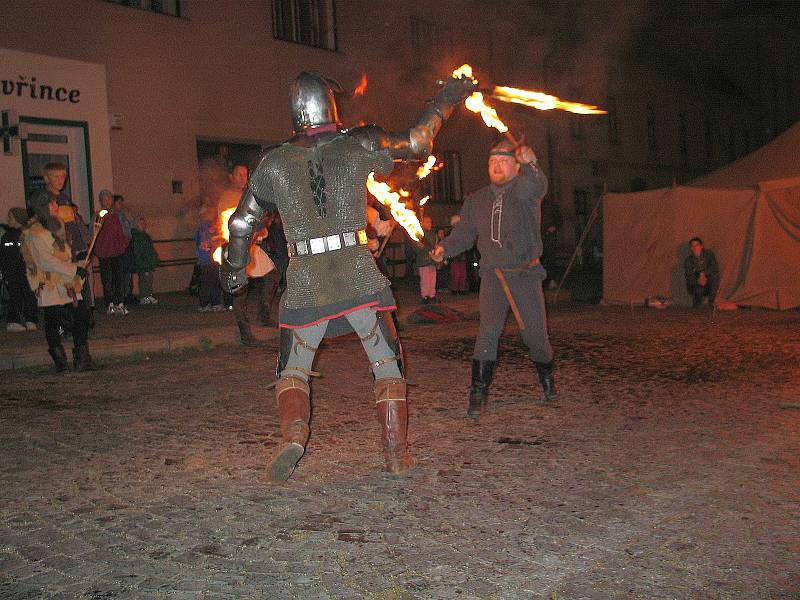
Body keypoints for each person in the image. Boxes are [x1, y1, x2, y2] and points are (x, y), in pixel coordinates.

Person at [219, 70, 476, 480]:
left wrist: (233, 273)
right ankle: (395, 455)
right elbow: (417, 142)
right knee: (387, 366)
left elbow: (240, 224)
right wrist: (448, 96)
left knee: (292, 371)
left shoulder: (273, 160)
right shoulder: (358, 143)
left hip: (306, 277)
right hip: (357, 271)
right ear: (329, 106)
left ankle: (292, 439)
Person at [431, 139, 555, 417]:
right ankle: (478, 392)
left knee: (535, 337)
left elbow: (538, 185)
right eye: (492, 162)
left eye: (503, 161)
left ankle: (546, 374)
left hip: (525, 275)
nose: (497, 166)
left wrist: (532, 164)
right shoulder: (477, 200)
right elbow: (464, 234)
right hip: (493, 275)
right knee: (487, 332)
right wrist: (445, 249)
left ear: (515, 165)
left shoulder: (524, 191)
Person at [20, 191, 93, 372]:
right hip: (50, 284)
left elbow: (65, 255)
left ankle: (82, 360)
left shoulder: (57, 227)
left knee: (81, 317)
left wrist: (78, 265)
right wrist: (74, 269)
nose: (56, 207)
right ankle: (61, 362)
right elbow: (45, 261)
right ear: (43, 207)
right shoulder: (34, 233)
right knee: (53, 322)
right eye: (52, 204)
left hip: (66, 282)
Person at [1, 208, 39, 332]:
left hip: (26, 270)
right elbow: (5, 255)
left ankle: (30, 319)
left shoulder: (28, 234)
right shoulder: (7, 236)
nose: (8, 220)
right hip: (13, 272)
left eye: (10, 217)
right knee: (15, 296)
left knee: (29, 295)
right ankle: (14, 321)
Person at [93, 190, 130, 314]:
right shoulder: (100, 215)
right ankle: (110, 303)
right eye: (105, 199)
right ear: (101, 201)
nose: (107, 201)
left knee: (119, 278)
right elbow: (94, 231)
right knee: (107, 279)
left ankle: (120, 302)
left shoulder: (118, 215)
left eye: (109, 199)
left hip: (117, 251)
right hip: (104, 252)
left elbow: (125, 230)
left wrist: (124, 244)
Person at [196, 204, 224, 312]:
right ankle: (205, 304)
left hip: (213, 259)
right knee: (207, 282)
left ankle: (214, 302)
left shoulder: (213, 227)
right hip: (206, 260)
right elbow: (204, 243)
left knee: (214, 282)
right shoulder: (204, 227)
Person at [114, 195, 137, 305]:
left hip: (128, 245)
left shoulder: (124, 215)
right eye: (119, 203)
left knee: (128, 270)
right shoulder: (114, 216)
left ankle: (128, 293)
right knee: (121, 271)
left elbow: (131, 226)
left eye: (122, 203)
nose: (121, 206)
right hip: (120, 246)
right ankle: (121, 295)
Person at [684, 237, 720, 308]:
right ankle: (697, 303)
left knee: (715, 277)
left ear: (701, 246)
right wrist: (698, 280)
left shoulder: (709, 254)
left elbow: (714, 267)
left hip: (708, 281)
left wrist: (703, 274)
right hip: (697, 284)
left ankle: (711, 302)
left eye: (696, 245)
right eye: (692, 246)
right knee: (697, 289)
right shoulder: (688, 260)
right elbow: (689, 276)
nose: (694, 248)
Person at [131, 218, 160, 304]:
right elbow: (138, 251)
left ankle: (148, 295)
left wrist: (154, 257)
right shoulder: (137, 237)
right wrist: (140, 261)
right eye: (141, 224)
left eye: (144, 223)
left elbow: (150, 249)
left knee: (149, 279)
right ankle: (144, 296)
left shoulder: (145, 236)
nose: (143, 225)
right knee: (144, 280)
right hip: (143, 262)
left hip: (148, 261)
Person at [540, 195, 562, 289]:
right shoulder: (533, 204)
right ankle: (540, 282)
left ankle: (551, 280)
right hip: (538, 237)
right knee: (538, 260)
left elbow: (559, 220)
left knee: (550, 259)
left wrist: (554, 227)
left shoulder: (551, 205)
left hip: (549, 237)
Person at [415, 216, 438, 303]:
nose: (429, 224)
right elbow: (417, 247)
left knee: (432, 278)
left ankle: (432, 295)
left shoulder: (433, 235)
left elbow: (436, 245)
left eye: (430, 222)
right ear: (422, 223)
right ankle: (425, 296)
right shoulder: (419, 235)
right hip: (423, 260)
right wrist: (423, 247)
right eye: (427, 222)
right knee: (425, 279)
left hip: (432, 260)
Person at [448, 215, 468, 295]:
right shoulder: (451, 233)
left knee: (463, 274)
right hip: (455, 256)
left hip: (462, 256)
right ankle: (454, 289)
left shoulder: (463, 233)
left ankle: (462, 289)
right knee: (456, 274)